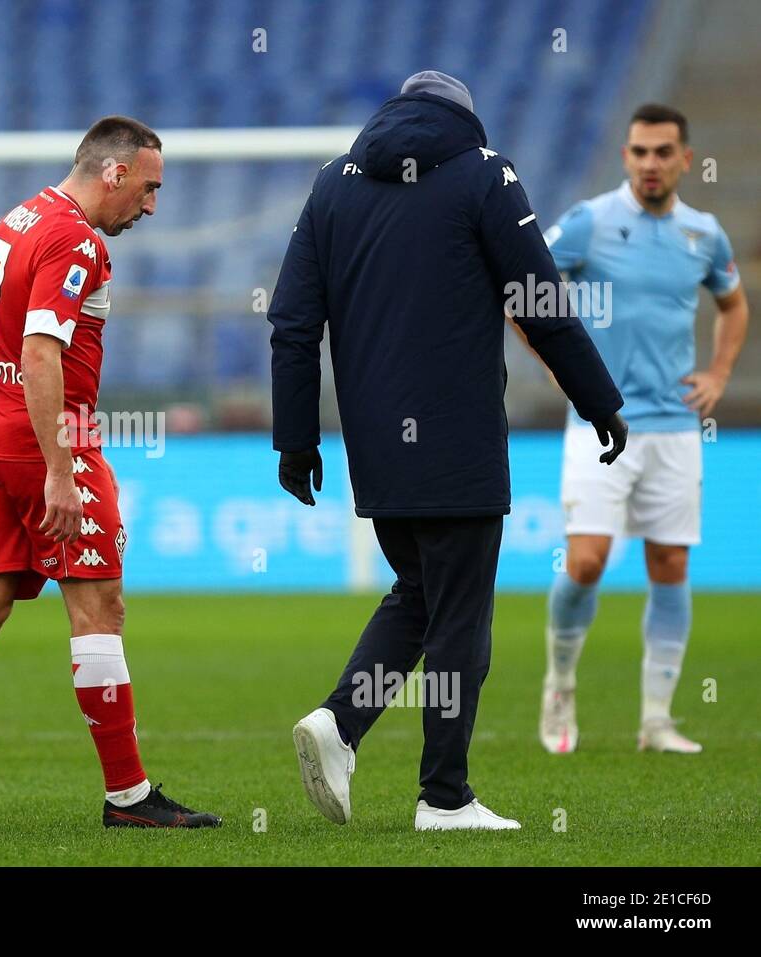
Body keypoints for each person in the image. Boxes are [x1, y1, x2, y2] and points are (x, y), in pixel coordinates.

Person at [268, 71, 625, 831]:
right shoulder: (484, 173)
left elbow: (293, 322)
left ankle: (339, 724)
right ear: (465, 117)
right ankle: (445, 796)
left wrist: (296, 438)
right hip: (459, 436)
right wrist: (598, 397)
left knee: (421, 595)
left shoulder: (333, 186)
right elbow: (541, 301)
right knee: (459, 615)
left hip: (376, 445)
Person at [0, 116, 218, 829]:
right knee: (100, 609)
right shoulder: (77, 239)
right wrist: (62, 472)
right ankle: (128, 796)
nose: (152, 206)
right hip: (47, 438)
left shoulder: (19, 217)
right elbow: (41, 351)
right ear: (115, 172)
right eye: (149, 188)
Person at [532, 104, 748, 755]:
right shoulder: (591, 222)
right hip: (602, 424)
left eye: (662, 152)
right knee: (588, 560)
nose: (649, 163)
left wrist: (717, 371)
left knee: (670, 564)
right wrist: (555, 364)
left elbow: (733, 304)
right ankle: (560, 683)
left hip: (676, 429)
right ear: (626, 157)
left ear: (685, 158)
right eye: (638, 152)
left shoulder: (703, 234)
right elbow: (525, 288)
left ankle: (656, 718)